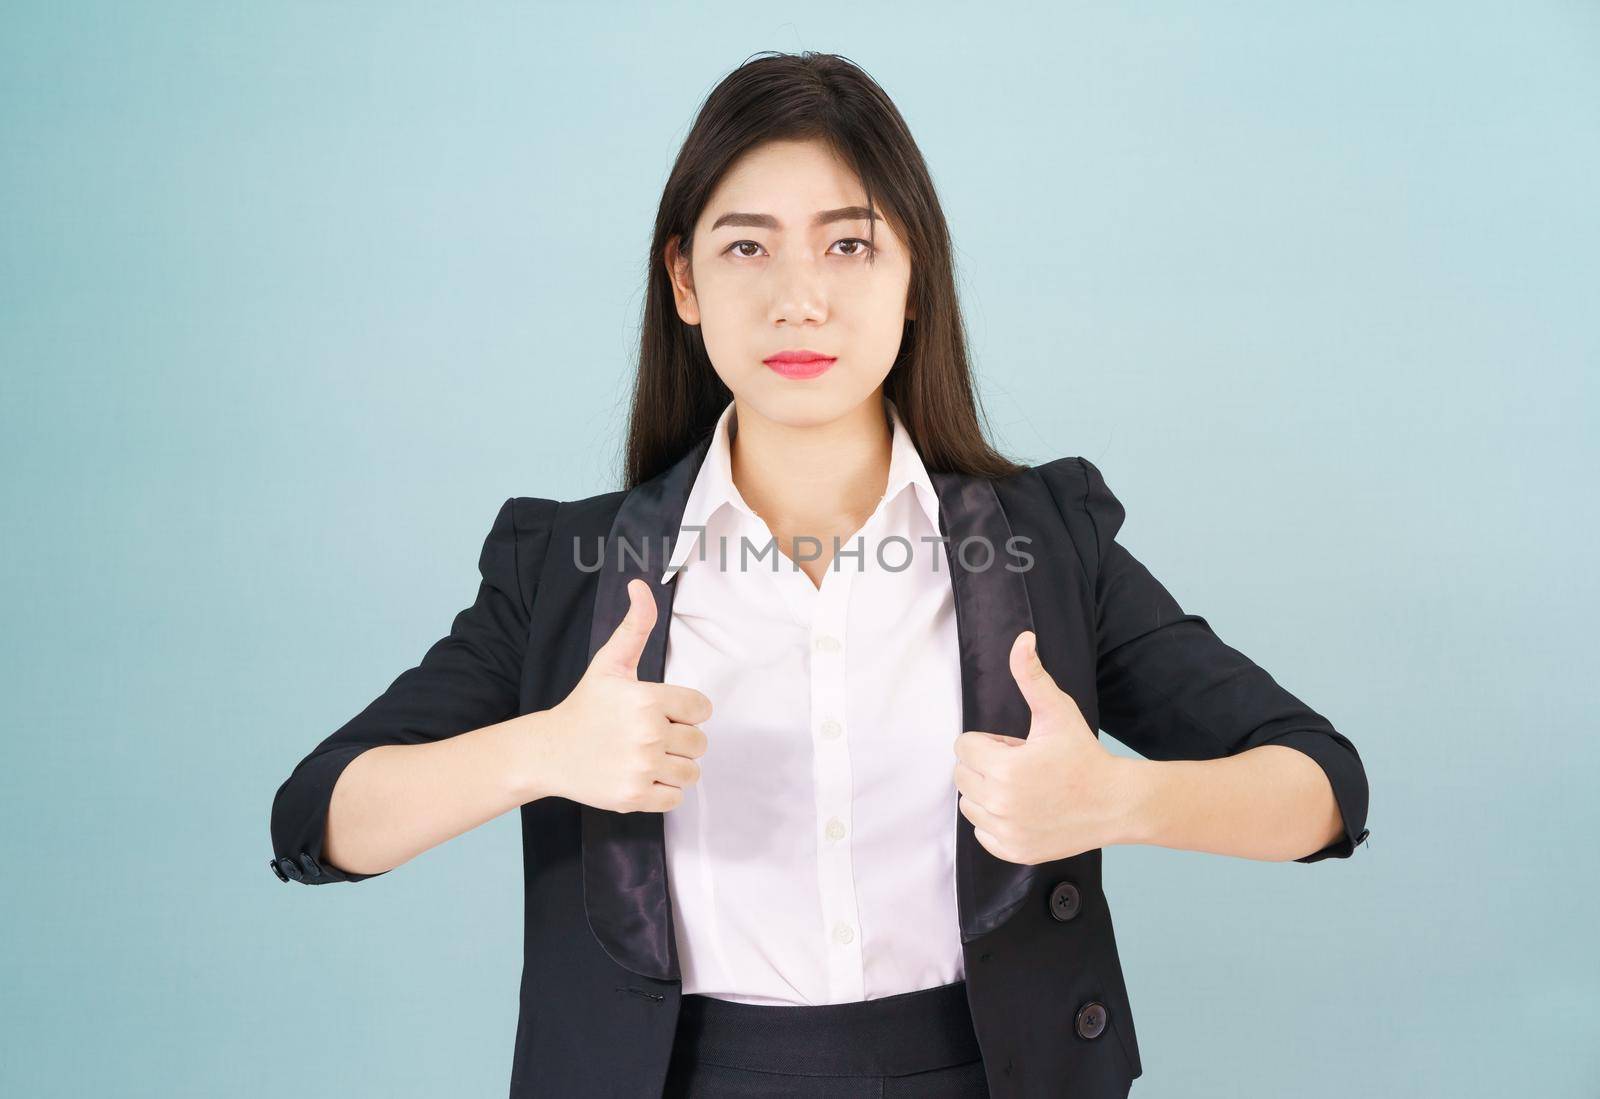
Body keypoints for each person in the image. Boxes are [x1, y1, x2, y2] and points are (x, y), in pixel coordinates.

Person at [268, 51, 1370, 1099]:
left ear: (911, 279)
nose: (799, 298)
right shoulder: (566, 567)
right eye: (747, 247)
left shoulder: (1045, 544)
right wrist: (543, 748)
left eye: (849, 246)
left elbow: (1320, 788)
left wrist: (1121, 797)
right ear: (683, 279)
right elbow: (317, 818)